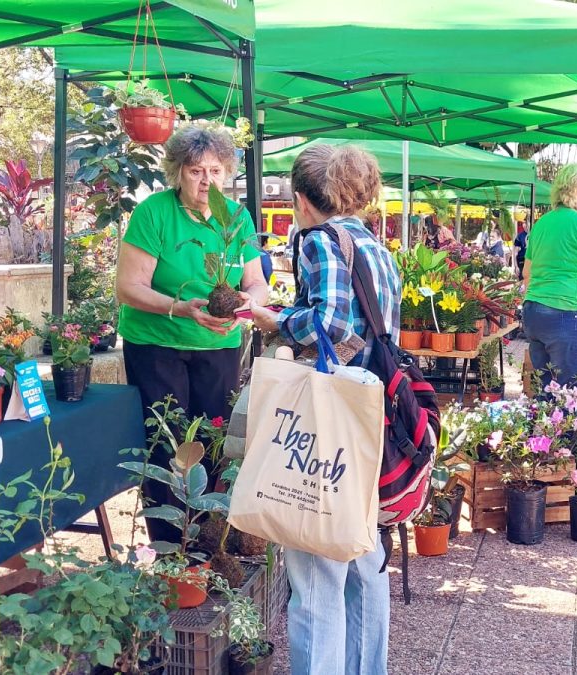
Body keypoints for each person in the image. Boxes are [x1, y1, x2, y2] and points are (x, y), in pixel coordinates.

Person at [241, 144, 398, 675]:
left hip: (326, 418)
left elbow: (330, 325)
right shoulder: (372, 244)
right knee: (363, 556)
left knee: (314, 572)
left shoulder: (316, 240)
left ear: (303, 200)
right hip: (368, 411)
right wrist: (291, 312)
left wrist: (277, 323)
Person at [115, 124, 268, 543]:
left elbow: (257, 282)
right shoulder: (155, 213)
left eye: (215, 171)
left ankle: (206, 539)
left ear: (227, 174)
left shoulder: (235, 217)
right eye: (196, 171)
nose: (206, 181)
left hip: (218, 343)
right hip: (157, 345)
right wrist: (178, 307)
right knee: (167, 442)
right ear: (177, 172)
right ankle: (170, 547)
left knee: (213, 437)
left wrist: (246, 304)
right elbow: (127, 288)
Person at [521, 164, 577, 390]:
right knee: (572, 393)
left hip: (533, 311)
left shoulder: (542, 224)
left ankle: (540, 426)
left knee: (545, 391)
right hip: (567, 312)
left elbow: (526, 273)